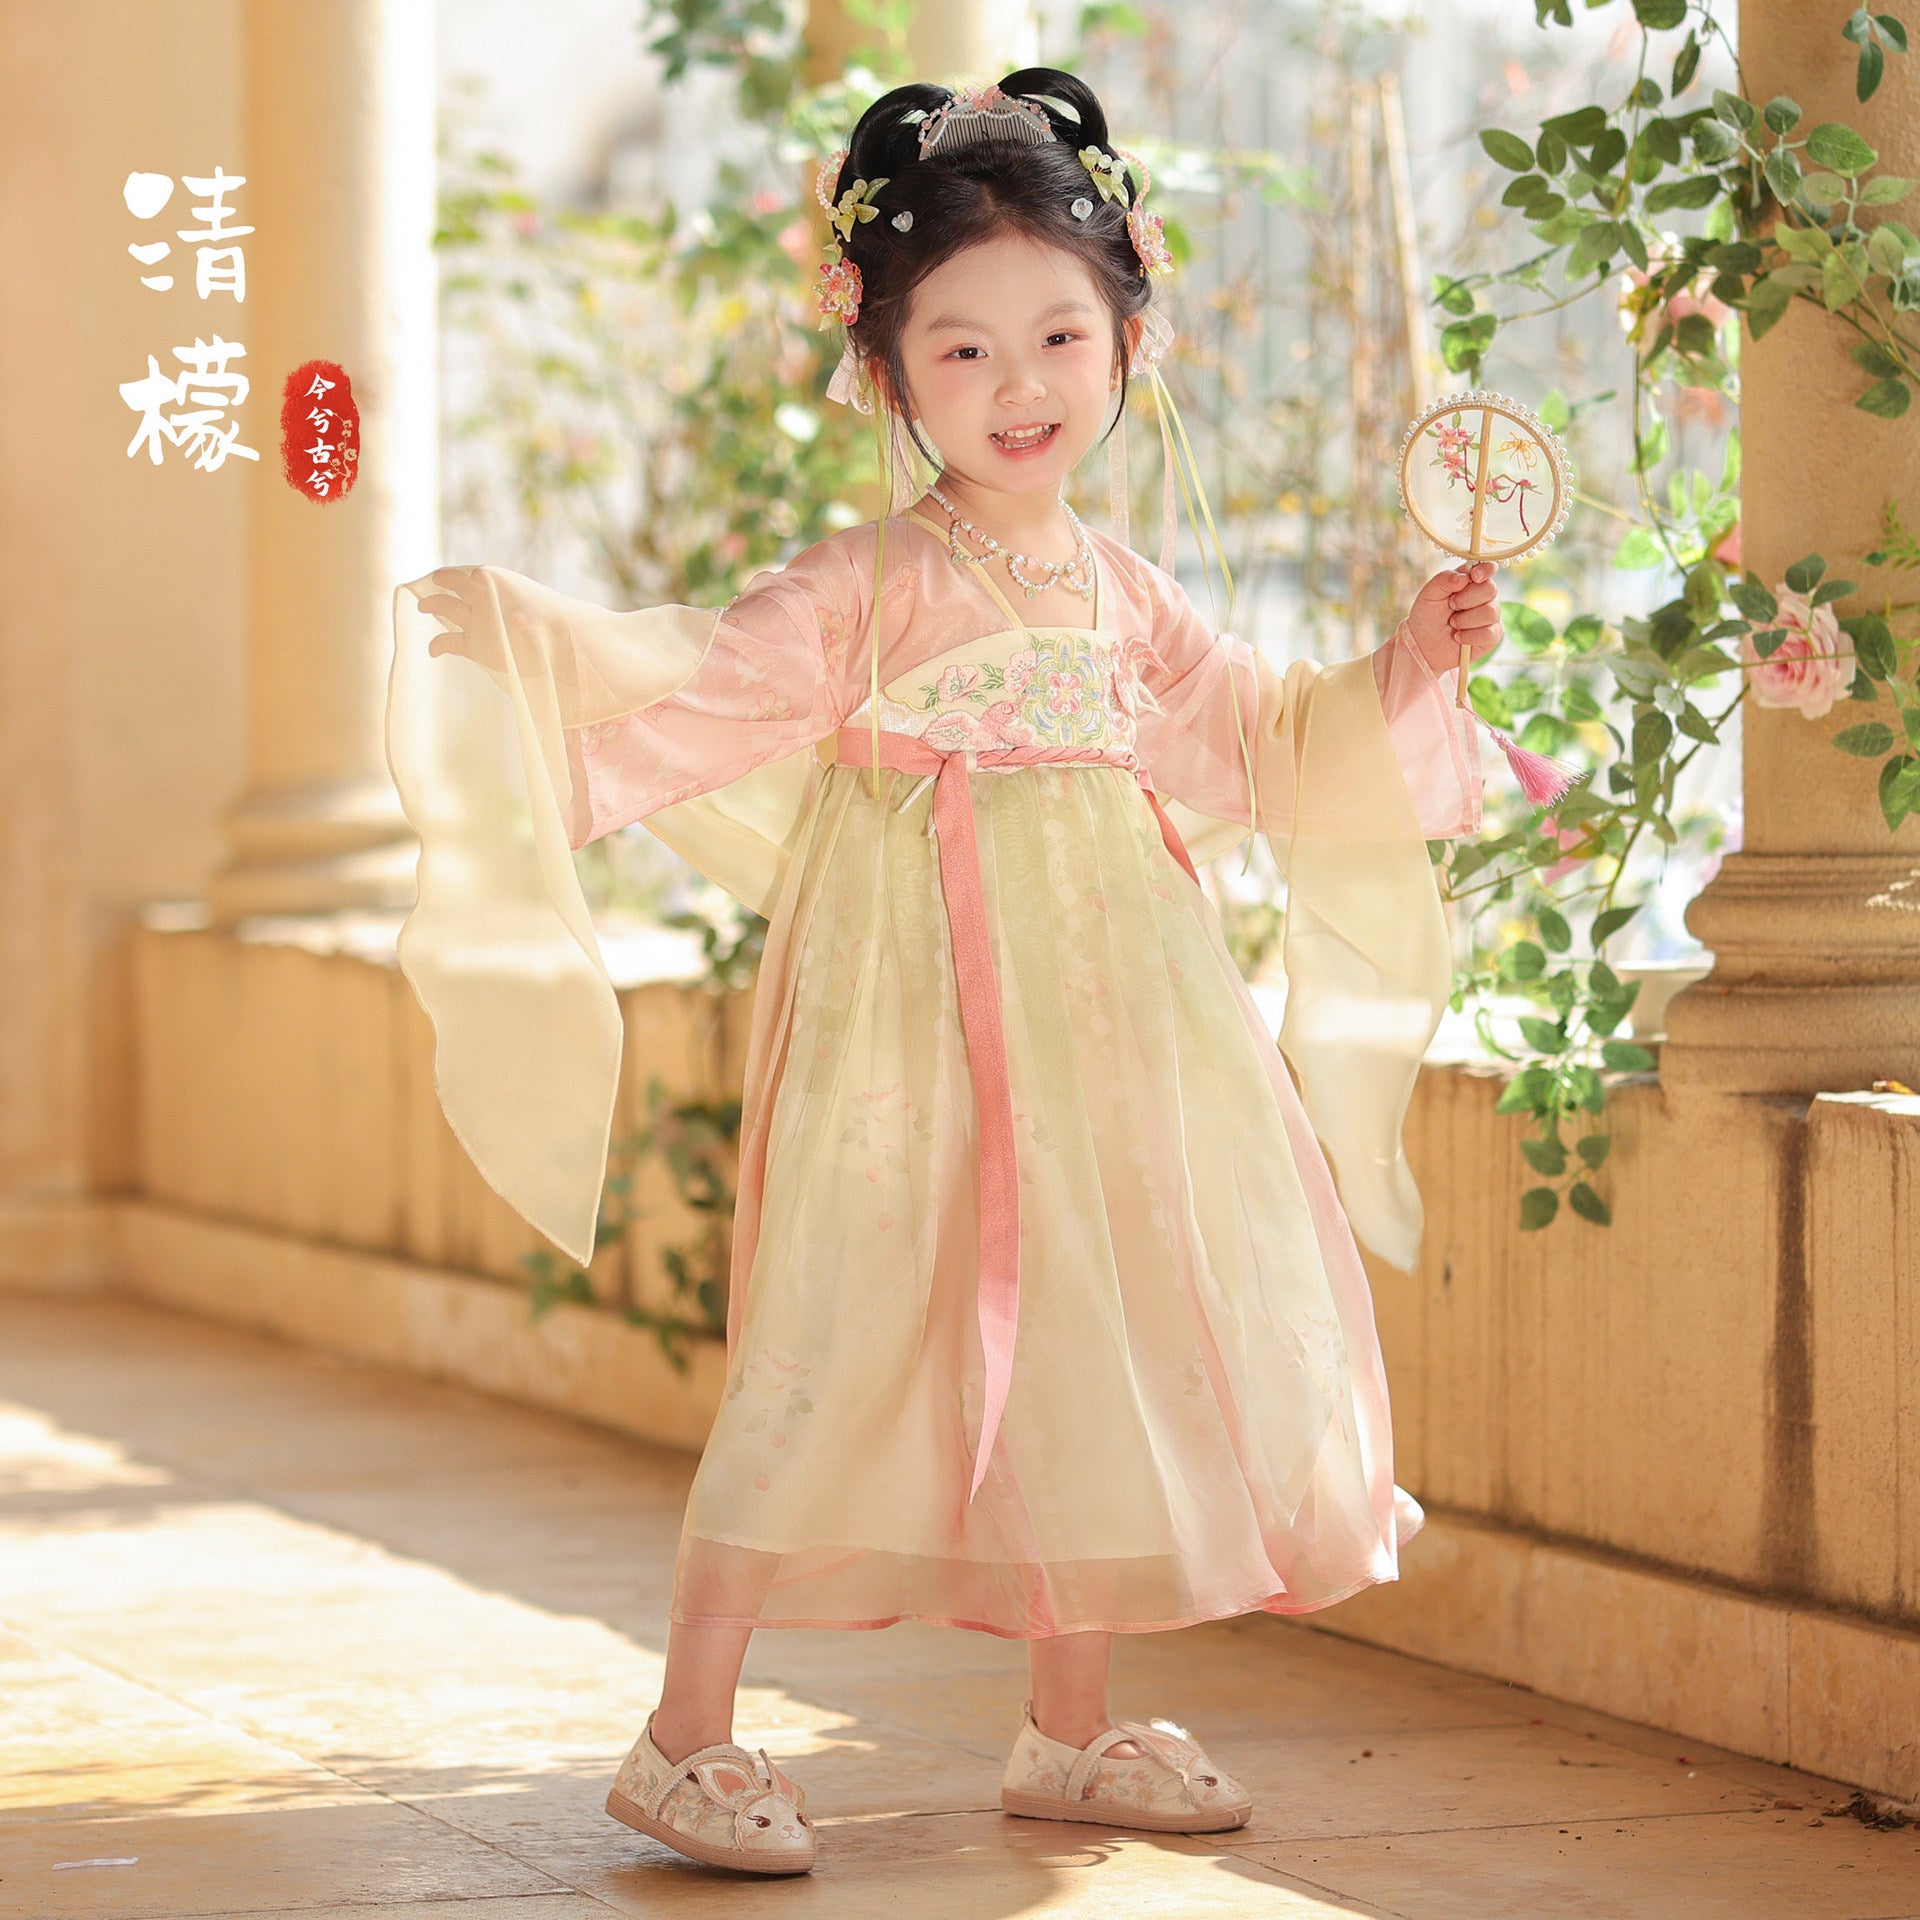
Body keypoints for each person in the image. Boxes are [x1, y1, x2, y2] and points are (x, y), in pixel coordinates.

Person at [387, 68, 1500, 1878]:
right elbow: (701, 685)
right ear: (887, 368)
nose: (1020, 384)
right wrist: (542, 649)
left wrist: (1412, 666)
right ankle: (684, 1733)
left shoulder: (1127, 596)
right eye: (962, 349)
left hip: (1115, 1027)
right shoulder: (872, 583)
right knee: (832, 1332)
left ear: (1129, 336)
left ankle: (1069, 1725)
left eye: (1060, 335)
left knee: (1097, 1325)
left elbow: (1272, 742)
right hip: (905, 1030)